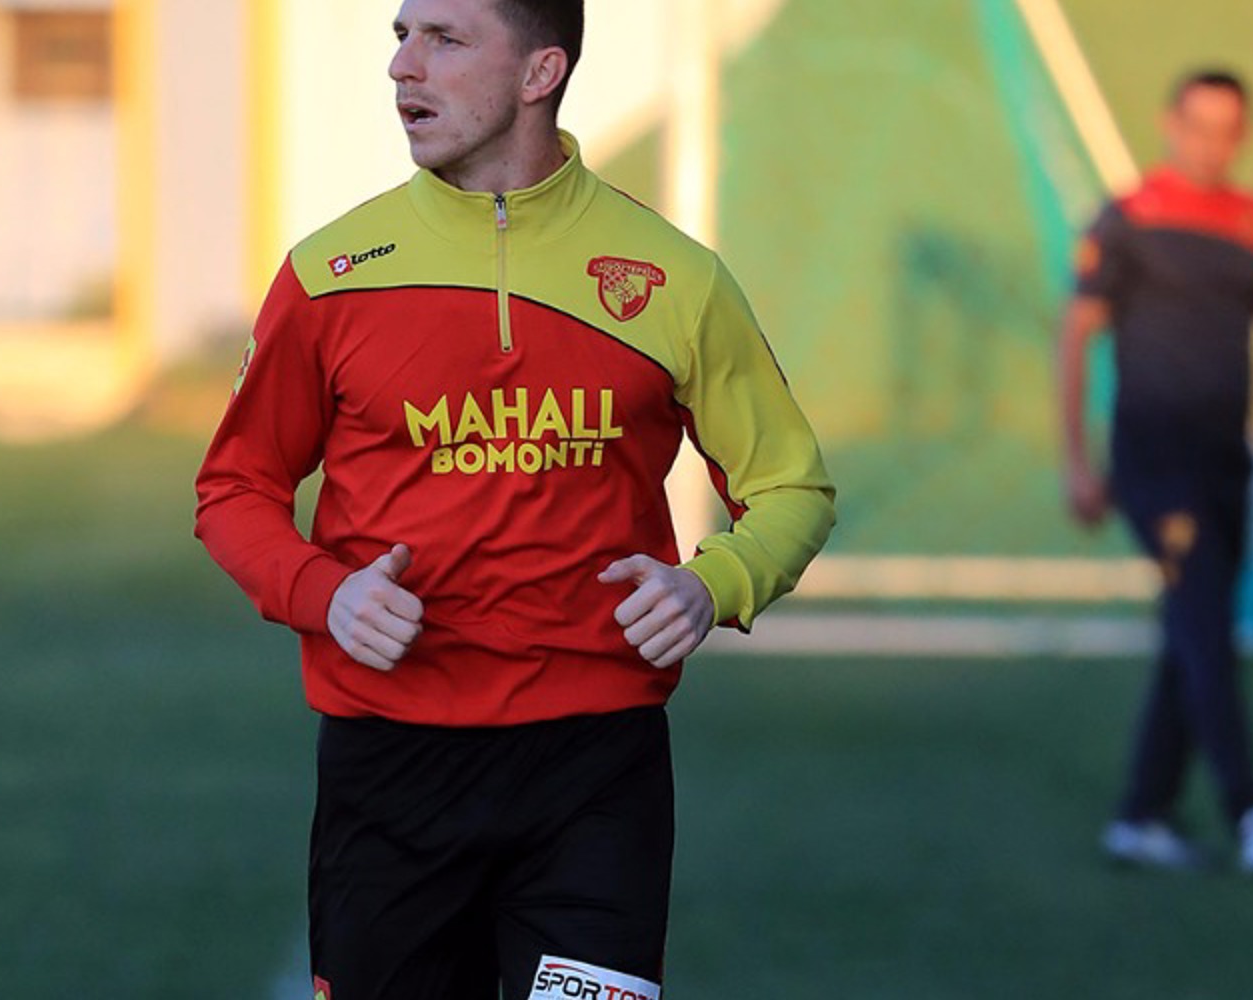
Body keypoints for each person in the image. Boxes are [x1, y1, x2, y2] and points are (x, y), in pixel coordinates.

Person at [195, 0, 834, 994]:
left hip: (596, 771)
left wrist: (713, 584)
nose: (404, 66)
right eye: (401, 36)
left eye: (444, 39)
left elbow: (791, 485)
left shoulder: (673, 279)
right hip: (390, 766)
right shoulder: (327, 276)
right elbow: (235, 487)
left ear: (541, 73)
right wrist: (328, 594)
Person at [1058, 69, 1253, 876]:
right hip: (1155, 465)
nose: (1210, 143)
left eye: (1226, 129)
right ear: (1171, 124)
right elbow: (1076, 335)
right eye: (1198, 125)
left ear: (1243, 136)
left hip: (1226, 465)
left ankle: (1141, 815)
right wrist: (1077, 463)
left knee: (1191, 631)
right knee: (1205, 625)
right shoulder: (1130, 217)